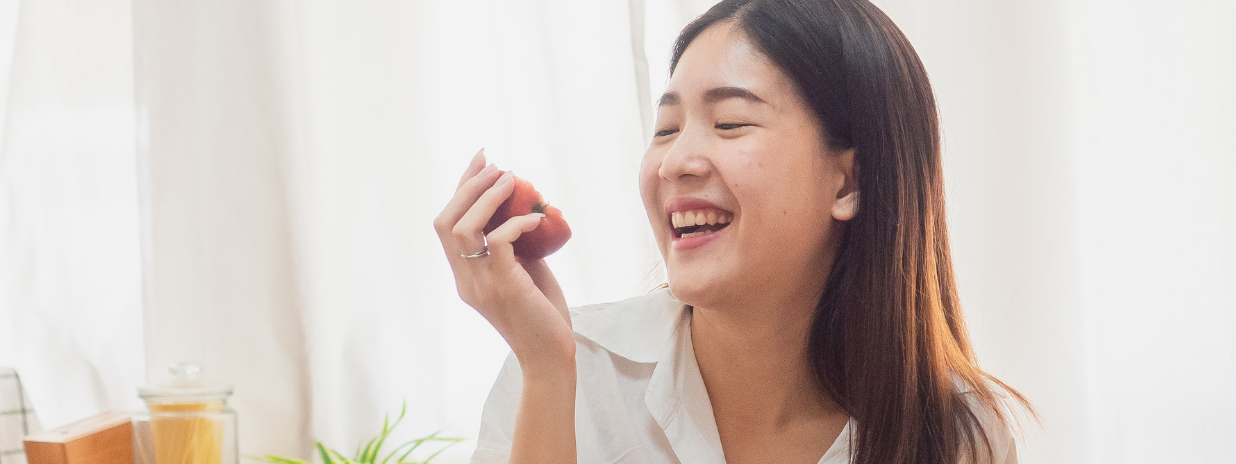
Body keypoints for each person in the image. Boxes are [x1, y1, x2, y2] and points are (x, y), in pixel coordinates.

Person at [433, 0, 1032, 463]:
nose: (674, 162)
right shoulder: (569, 370)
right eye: (666, 129)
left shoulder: (956, 435)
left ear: (849, 183)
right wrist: (546, 372)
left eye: (729, 122)